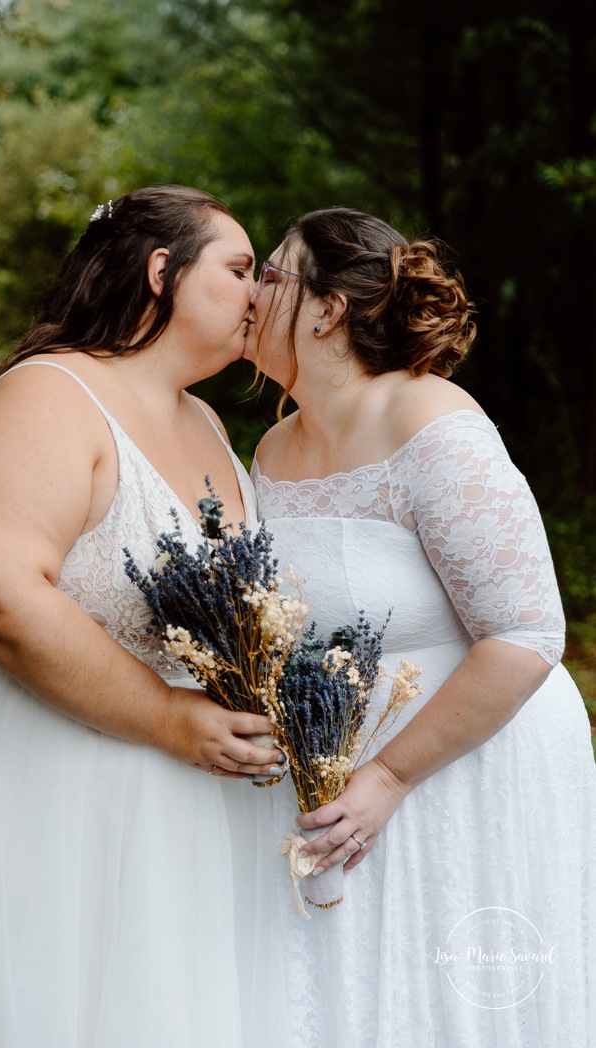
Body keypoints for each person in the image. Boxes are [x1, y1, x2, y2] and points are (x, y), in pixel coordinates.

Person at [0, 185, 291, 1048]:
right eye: (235, 269)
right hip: (39, 787)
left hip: (186, 809)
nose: (258, 294)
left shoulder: (206, 424)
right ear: (161, 272)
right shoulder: (49, 395)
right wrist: (164, 717)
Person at [245, 207, 596, 1047]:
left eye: (267, 274)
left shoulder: (428, 421)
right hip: (333, 777)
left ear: (326, 308)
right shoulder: (269, 448)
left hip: (460, 765)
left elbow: (525, 634)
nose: (248, 295)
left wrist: (389, 778)